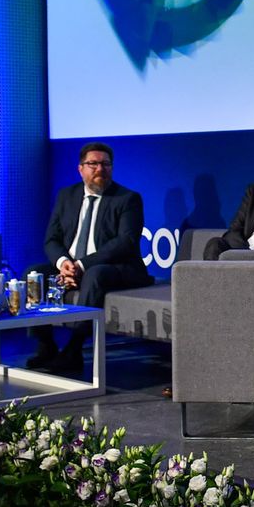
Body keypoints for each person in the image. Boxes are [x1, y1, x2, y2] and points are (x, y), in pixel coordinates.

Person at [28, 142, 152, 372]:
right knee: (34, 274)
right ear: (80, 168)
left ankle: (74, 349)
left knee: (95, 274)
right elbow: (51, 239)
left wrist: (81, 266)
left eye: (105, 164)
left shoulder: (127, 199)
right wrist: (64, 264)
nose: (100, 169)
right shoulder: (67, 195)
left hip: (117, 268)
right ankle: (45, 345)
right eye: (93, 164)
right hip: (73, 265)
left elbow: (125, 243)